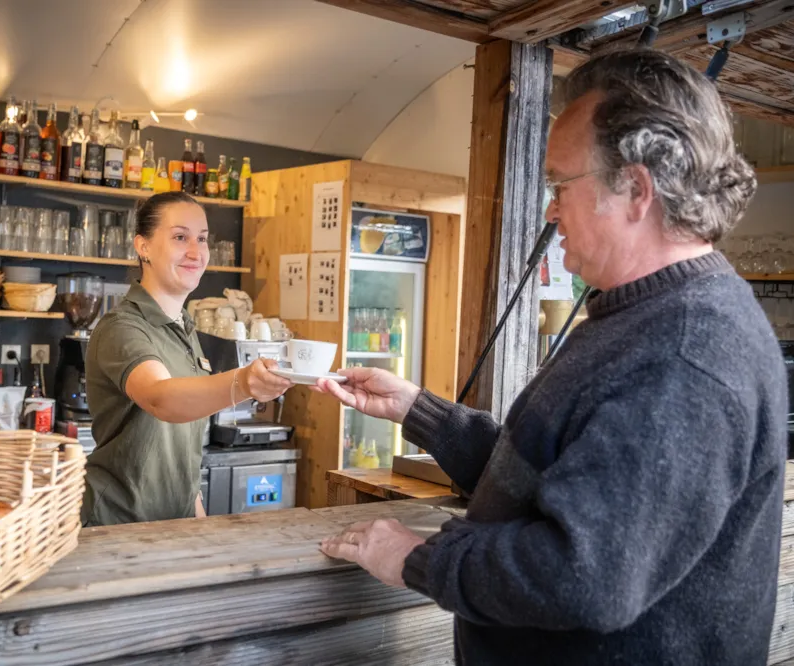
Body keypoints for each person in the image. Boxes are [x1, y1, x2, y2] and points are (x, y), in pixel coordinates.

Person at [318, 50, 789, 665]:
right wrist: (421, 411)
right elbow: (560, 479)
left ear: (636, 190)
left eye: (561, 184)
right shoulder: (651, 317)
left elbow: (585, 575)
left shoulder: (684, 353)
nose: (549, 210)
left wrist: (419, 559)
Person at [83, 191, 291, 525]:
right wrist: (243, 381)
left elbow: (183, 451)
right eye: (181, 237)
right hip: (117, 525)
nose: (196, 252)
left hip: (173, 524)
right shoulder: (122, 327)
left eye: (203, 239)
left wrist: (199, 522)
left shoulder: (185, 329)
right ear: (143, 246)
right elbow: (161, 398)